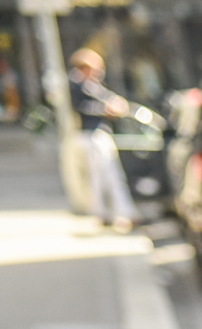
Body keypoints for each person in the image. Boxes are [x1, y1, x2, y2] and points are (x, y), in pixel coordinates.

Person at [68, 48, 136, 232]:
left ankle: (122, 212)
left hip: (100, 133)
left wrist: (115, 105)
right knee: (99, 176)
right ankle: (104, 213)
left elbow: (107, 97)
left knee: (112, 175)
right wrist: (103, 109)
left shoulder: (93, 84)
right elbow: (82, 107)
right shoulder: (76, 84)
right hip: (90, 135)